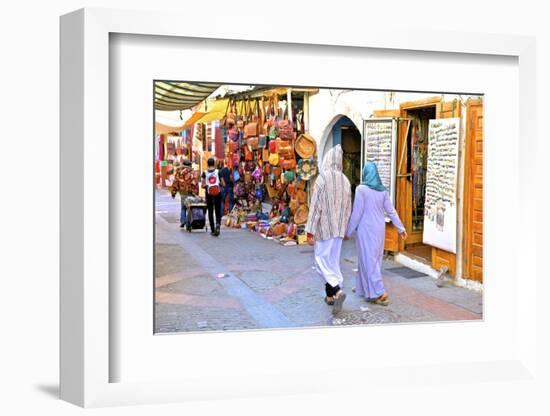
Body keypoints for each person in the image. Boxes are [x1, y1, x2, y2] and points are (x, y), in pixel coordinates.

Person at [346, 162, 407, 306]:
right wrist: (401, 228)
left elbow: (357, 213)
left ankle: (380, 292)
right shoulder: (383, 191)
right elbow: (391, 211)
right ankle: (362, 288)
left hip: (365, 230)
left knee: (369, 260)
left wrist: (348, 231)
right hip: (379, 229)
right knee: (371, 259)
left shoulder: (361, 189)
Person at [305, 144, 352, 315]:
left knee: (321, 261)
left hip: (324, 228)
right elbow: (348, 208)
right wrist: (346, 229)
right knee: (332, 261)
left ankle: (337, 290)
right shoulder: (346, 181)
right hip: (338, 229)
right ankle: (331, 296)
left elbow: (315, 206)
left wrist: (310, 230)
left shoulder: (322, 179)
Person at [170, 159, 198, 228]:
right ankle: (188, 223)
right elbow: (195, 183)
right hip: (190, 192)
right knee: (190, 207)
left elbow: (175, 182)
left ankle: (183, 221)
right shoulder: (192, 172)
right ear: (189, 165)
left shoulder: (179, 172)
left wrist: (173, 192)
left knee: (183, 207)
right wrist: (196, 193)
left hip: (182, 192)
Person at [201, 158, 222, 237]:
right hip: (218, 193)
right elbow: (223, 182)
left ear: (207, 164)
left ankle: (213, 229)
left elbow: (202, 185)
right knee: (218, 210)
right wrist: (220, 184)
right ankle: (218, 225)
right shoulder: (218, 172)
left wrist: (207, 185)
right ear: (214, 164)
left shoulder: (204, 173)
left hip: (209, 194)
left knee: (210, 211)